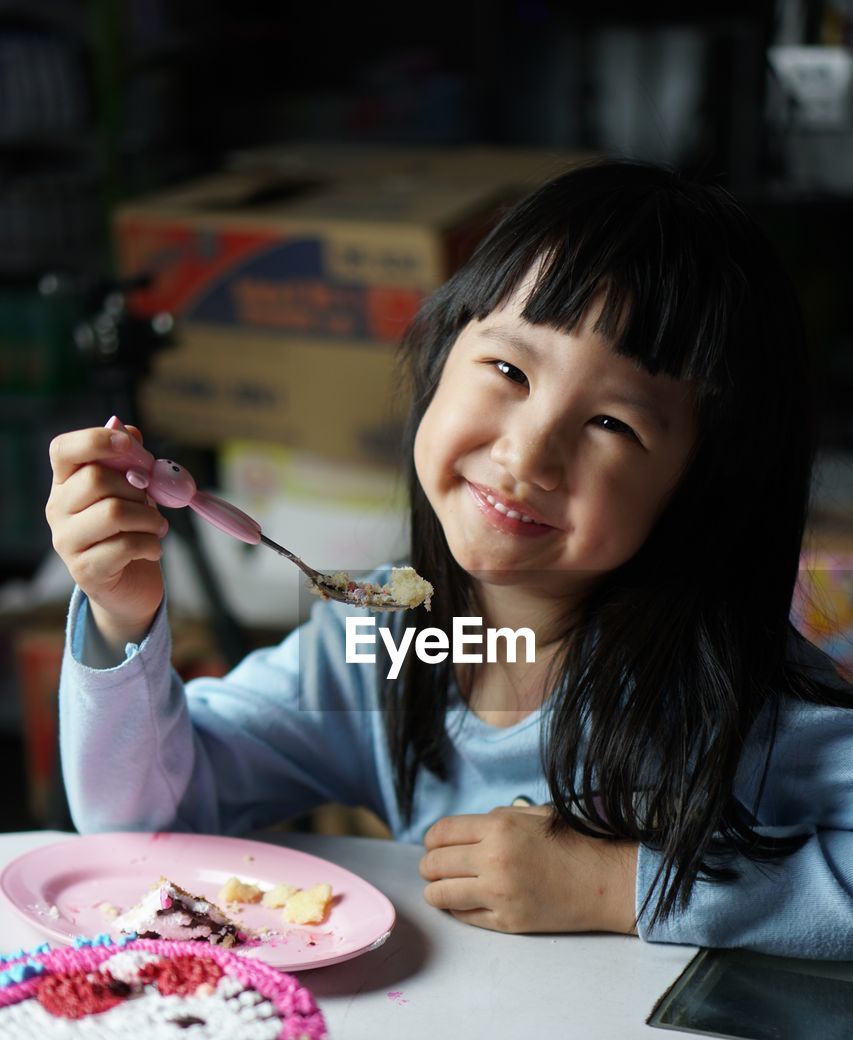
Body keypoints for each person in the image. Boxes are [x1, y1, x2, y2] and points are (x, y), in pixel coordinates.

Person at [46, 159, 853, 959]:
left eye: (613, 424)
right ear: (438, 359)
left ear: (697, 490)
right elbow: (143, 825)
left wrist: (617, 884)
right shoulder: (378, 649)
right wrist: (122, 617)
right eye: (508, 370)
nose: (527, 452)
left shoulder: (737, 701)